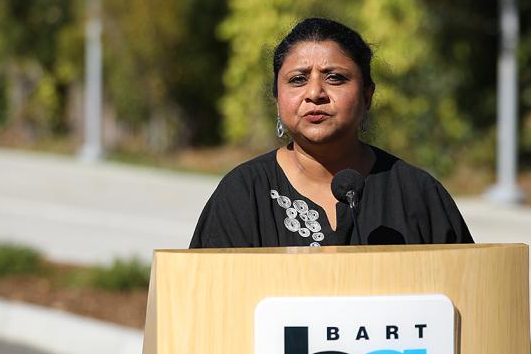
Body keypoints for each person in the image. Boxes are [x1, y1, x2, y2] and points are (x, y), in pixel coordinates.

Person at [190, 17, 473, 249]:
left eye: (335, 78)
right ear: (277, 100)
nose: (314, 93)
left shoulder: (417, 194)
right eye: (298, 79)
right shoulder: (242, 193)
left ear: (367, 96)